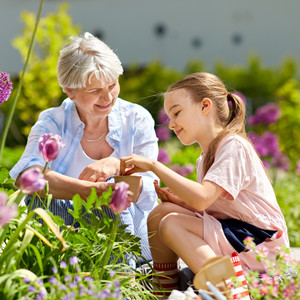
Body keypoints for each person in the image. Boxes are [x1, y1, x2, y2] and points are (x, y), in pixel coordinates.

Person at [120, 72, 289, 296]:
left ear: (205, 106)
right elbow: (215, 207)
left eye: (177, 112)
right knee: (161, 213)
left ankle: (231, 289)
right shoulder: (205, 157)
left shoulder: (233, 145)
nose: (171, 124)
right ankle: (164, 290)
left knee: (172, 223)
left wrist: (154, 165)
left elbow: (203, 197)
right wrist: (181, 201)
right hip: (239, 234)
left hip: (261, 243)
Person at [9, 32, 159, 267]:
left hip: (127, 227)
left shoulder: (137, 119)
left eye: (112, 85)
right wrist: (93, 192)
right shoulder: (53, 121)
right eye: (95, 90)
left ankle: (119, 278)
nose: (108, 97)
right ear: (70, 91)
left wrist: (116, 165)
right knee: (36, 204)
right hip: (65, 227)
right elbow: (27, 177)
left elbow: (147, 189)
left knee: (111, 206)